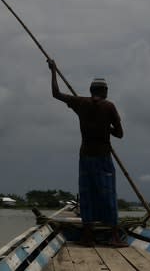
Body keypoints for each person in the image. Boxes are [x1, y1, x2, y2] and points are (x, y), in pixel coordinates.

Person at [48, 59, 127, 247]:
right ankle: (114, 236)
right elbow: (120, 134)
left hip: (85, 157)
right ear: (105, 92)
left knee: (87, 195)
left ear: (91, 91)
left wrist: (53, 71)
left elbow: (56, 94)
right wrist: (106, 128)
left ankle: (88, 236)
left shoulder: (80, 103)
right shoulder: (109, 107)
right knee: (108, 194)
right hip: (103, 157)